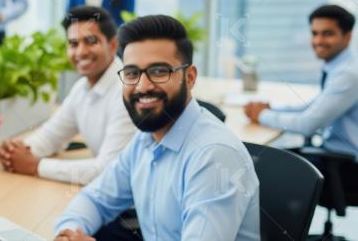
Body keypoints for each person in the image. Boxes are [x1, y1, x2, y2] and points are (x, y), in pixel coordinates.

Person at [54, 15, 259, 241]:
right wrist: (67, 235)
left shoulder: (214, 156)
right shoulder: (146, 139)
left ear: (189, 77)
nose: (142, 86)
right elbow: (95, 200)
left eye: (159, 71)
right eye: (132, 73)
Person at [0, 6, 135, 184]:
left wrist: (35, 165)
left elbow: (108, 171)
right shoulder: (82, 89)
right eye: (73, 44)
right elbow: (50, 137)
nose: (81, 52)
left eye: (91, 41)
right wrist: (14, 152)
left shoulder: (127, 90)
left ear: (113, 44)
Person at [245, 4, 358, 158]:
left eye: (327, 34)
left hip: (344, 164)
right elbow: (313, 107)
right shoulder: (338, 66)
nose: (318, 40)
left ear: (347, 37)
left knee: (261, 161)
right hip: (332, 154)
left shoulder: (348, 75)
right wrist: (271, 108)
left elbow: (308, 125)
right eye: (314, 33)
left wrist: (262, 115)